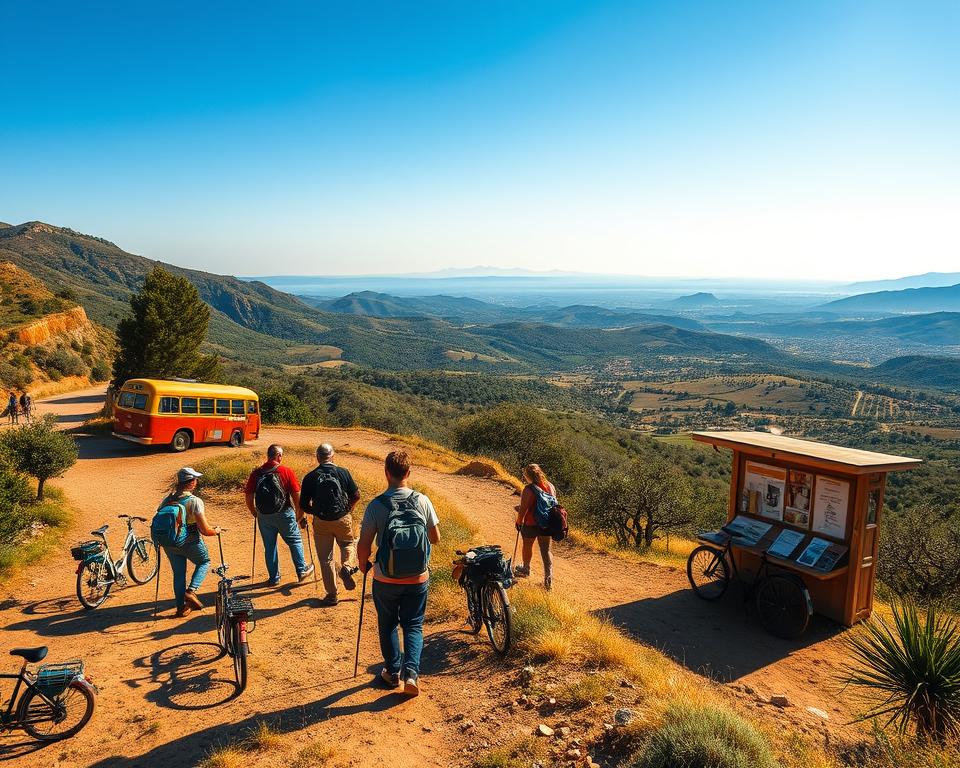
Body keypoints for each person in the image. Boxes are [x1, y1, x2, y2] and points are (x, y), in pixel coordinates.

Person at [357, 451, 440, 697]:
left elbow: (364, 544)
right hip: (418, 577)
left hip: (385, 578)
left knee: (388, 623)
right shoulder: (422, 501)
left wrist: (364, 564)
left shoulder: (376, 505)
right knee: (414, 625)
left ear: (386, 473)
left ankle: (393, 673)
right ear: (408, 473)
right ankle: (412, 674)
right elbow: (435, 538)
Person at [300, 443, 361, 606]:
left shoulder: (310, 477)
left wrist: (316, 513)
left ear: (318, 457)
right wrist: (348, 508)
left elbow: (303, 504)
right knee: (348, 544)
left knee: (325, 558)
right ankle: (347, 567)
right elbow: (356, 495)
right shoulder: (343, 472)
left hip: (321, 522)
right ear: (332, 456)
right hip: (342, 518)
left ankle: (332, 595)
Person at [245, 444, 314, 587]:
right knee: (294, 541)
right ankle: (301, 571)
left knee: (270, 547)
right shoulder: (286, 471)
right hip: (284, 513)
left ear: (268, 455)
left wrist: (254, 511)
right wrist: (299, 515)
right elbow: (296, 496)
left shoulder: (257, 473)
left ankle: (274, 578)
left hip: (264, 515)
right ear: (279, 456)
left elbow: (249, 495)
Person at [159, 467, 220, 618]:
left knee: (178, 574)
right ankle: (191, 591)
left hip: (170, 542)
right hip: (190, 540)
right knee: (204, 562)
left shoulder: (168, 500)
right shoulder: (195, 501)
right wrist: (216, 530)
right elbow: (205, 530)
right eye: (195, 480)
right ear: (191, 483)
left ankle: (181, 607)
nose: (196, 482)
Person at [513, 463, 557, 590]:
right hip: (546, 523)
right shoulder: (550, 486)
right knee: (546, 550)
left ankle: (526, 568)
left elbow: (524, 509)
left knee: (527, 545)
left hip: (531, 524)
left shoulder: (529, 489)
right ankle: (548, 579)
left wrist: (519, 521)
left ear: (527, 475)